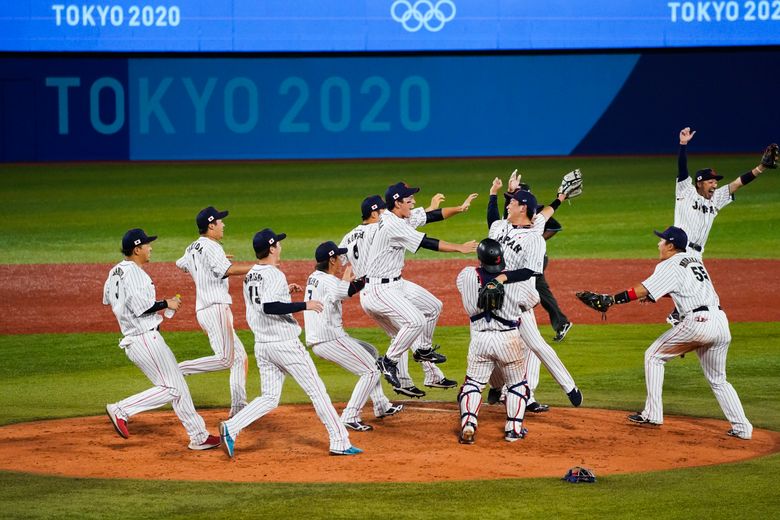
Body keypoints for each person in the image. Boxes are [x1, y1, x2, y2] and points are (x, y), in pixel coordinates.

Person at [578, 226, 753, 440]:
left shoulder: (669, 265)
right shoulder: (694, 260)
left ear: (670, 245)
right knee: (719, 380)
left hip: (698, 323)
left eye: (661, 241)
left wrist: (612, 300)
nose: (658, 244)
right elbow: (685, 289)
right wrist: (658, 296)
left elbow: (642, 289)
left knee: (653, 356)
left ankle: (653, 414)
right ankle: (743, 428)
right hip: (720, 322)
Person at [219, 229, 362, 457]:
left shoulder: (251, 274)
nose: (281, 247)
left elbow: (262, 303)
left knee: (269, 397)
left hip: (263, 346)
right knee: (317, 392)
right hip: (284, 345)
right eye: (279, 244)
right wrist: (304, 305)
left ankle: (231, 428)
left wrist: (285, 293)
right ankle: (340, 442)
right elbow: (269, 307)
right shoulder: (274, 274)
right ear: (272, 247)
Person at [103, 228, 221, 451]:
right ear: (137, 249)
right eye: (147, 245)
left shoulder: (115, 271)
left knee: (178, 386)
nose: (150, 248)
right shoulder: (135, 273)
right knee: (173, 389)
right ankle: (121, 409)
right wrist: (167, 303)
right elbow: (141, 308)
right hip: (144, 339)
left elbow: (111, 301)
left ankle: (199, 436)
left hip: (136, 336)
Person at [339, 194, 465, 397]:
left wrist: (346, 282)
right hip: (381, 290)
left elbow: (341, 260)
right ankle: (418, 370)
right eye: (382, 210)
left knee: (404, 333)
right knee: (412, 325)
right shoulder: (384, 226)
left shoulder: (350, 235)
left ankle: (412, 380)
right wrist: (457, 244)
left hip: (370, 289)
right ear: (375, 213)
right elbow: (414, 227)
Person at [360, 182, 478, 389]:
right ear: (397, 203)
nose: (413, 202)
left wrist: (459, 208)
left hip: (396, 283)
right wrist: (460, 248)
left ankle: (423, 349)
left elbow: (433, 215)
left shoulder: (398, 215)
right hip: (378, 289)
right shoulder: (392, 225)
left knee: (433, 306)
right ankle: (388, 362)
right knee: (415, 321)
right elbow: (427, 242)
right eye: (409, 200)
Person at [485, 176, 583, 413]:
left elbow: (532, 269)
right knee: (492, 347)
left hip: (518, 301)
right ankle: (501, 389)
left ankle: (569, 388)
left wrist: (560, 198)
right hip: (495, 300)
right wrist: (494, 195)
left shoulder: (535, 234)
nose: (508, 205)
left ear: (523, 208)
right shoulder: (501, 226)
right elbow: (492, 221)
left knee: (535, 345)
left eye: (513, 202)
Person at [668, 128, 777, 324]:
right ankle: (675, 311)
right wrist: (683, 145)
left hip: (697, 254)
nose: (715, 185)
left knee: (693, 286)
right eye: (711, 182)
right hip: (680, 250)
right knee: (695, 287)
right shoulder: (685, 191)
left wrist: (760, 168)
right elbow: (682, 169)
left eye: (716, 182)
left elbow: (738, 183)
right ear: (700, 183)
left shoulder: (716, 199)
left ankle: (676, 311)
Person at [303, 240, 404, 431]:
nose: (342, 259)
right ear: (331, 260)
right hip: (329, 339)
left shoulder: (314, 277)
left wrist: (348, 281)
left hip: (325, 337)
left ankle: (381, 404)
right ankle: (350, 416)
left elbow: (340, 290)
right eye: (339, 256)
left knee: (371, 352)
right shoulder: (329, 280)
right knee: (371, 371)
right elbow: (347, 291)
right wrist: (369, 276)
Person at [456, 238, 537, 443]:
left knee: (473, 383)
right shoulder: (516, 281)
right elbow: (533, 300)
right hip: (508, 339)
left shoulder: (466, 275)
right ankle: (513, 429)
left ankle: (468, 424)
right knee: (517, 384)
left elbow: (462, 286)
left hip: (479, 339)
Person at [175, 206, 250, 418]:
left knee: (240, 358)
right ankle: (176, 370)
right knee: (225, 359)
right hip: (215, 308)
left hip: (205, 310)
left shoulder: (192, 248)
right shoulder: (211, 246)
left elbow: (180, 264)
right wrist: (258, 268)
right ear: (211, 225)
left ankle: (238, 408)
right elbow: (228, 270)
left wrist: (206, 261)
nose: (223, 225)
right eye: (220, 221)